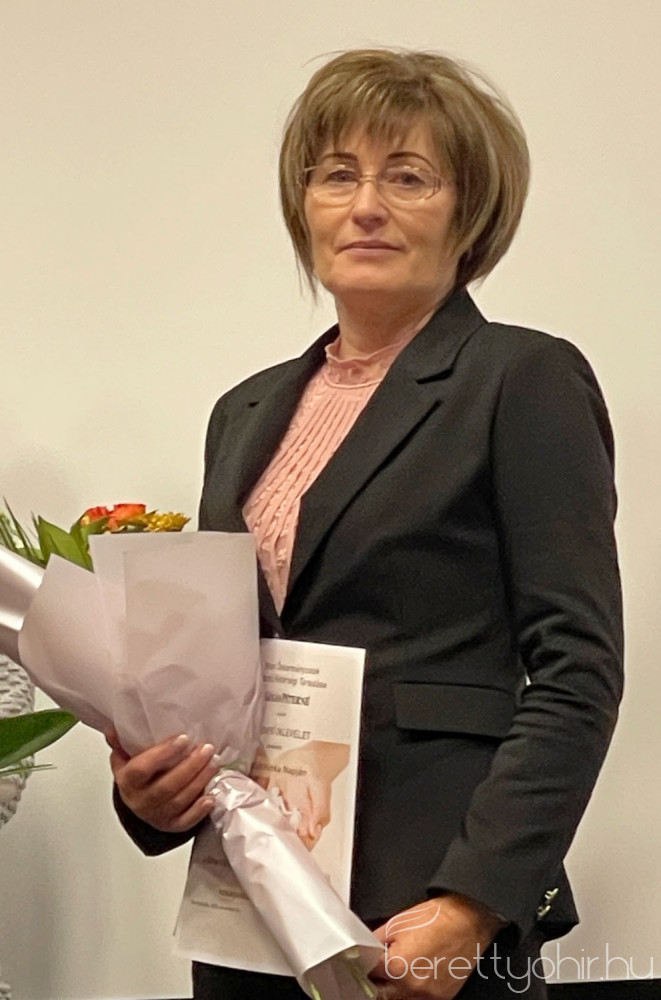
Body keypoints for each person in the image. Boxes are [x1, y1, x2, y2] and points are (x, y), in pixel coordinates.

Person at [109, 48, 623, 999]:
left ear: (470, 213)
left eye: (409, 177)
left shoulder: (521, 379)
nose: (366, 206)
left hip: (424, 911)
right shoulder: (242, 412)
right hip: (251, 900)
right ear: (303, 206)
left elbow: (576, 670)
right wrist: (151, 792)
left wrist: (474, 902)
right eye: (337, 175)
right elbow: (226, 669)